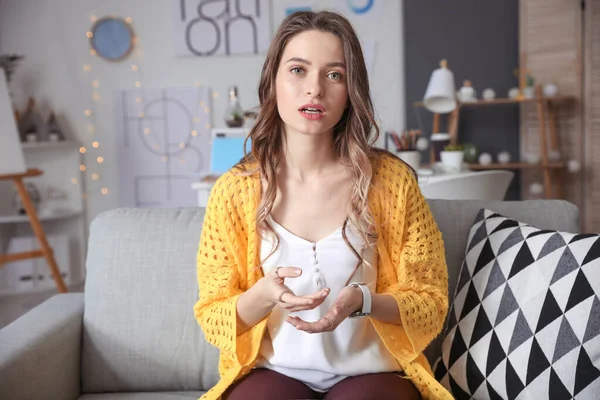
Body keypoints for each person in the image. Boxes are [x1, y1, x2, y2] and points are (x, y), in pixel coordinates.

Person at [194, 10, 452, 400]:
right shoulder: (234, 191)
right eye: (298, 70)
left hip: (371, 372)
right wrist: (264, 294)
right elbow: (213, 316)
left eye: (334, 75)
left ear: (351, 91)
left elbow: (430, 301)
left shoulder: (391, 182)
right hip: (274, 371)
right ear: (273, 82)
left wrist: (364, 301)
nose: (314, 89)